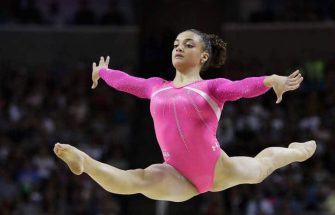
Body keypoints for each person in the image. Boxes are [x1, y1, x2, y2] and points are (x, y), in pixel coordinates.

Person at [54, 29, 316, 202]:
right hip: (176, 175)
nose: (179, 48)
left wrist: (271, 80)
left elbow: (242, 87)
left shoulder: (211, 88)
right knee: (137, 179)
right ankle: (84, 163)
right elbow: (126, 81)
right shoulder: (156, 87)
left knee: (261, 167)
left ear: (203, 56)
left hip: (215, 169)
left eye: (188, 45)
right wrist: (103, 73)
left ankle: (296, 152)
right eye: (176, 44)